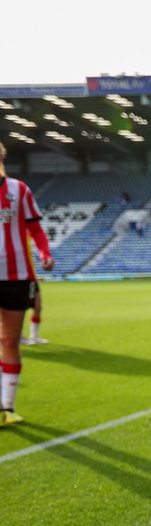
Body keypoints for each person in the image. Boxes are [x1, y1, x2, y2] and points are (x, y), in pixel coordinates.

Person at [0, 141, 54, 425]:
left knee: (9, 340)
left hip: (16, 276)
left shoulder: (19, 190)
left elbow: (35, 228)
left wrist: (45, 253)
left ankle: (6, 408)